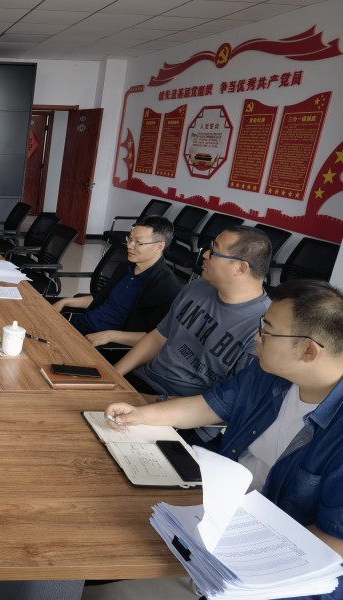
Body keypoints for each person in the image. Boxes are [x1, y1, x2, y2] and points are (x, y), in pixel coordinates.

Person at [104, 279, 343, 600]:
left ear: (309, 351)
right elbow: (209, 406)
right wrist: (139, 415)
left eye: (267, 330)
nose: (257, 337)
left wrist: (242, 556)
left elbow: (334, 542)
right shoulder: (269, 373)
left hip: (273, 571)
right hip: (218, 516)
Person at [114, 225, 271, 401]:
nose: (205, 255)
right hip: (143, 381)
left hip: (181, 408)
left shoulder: (264, 328)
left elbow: (225, 403)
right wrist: (113, 376)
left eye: (214, 252)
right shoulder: (198, 286)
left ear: (240, 268)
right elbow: (158, 337)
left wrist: (147, 402)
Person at [52, 216, 181, 349]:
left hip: (103, 345)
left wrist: (110, 336)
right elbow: (101, 298)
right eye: (130, 239)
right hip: (79, 326)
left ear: (159, 246)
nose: (129, 246)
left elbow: (154, 338)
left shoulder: (166, 287)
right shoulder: (126, 267)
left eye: (138, 242)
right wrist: (65, 302)